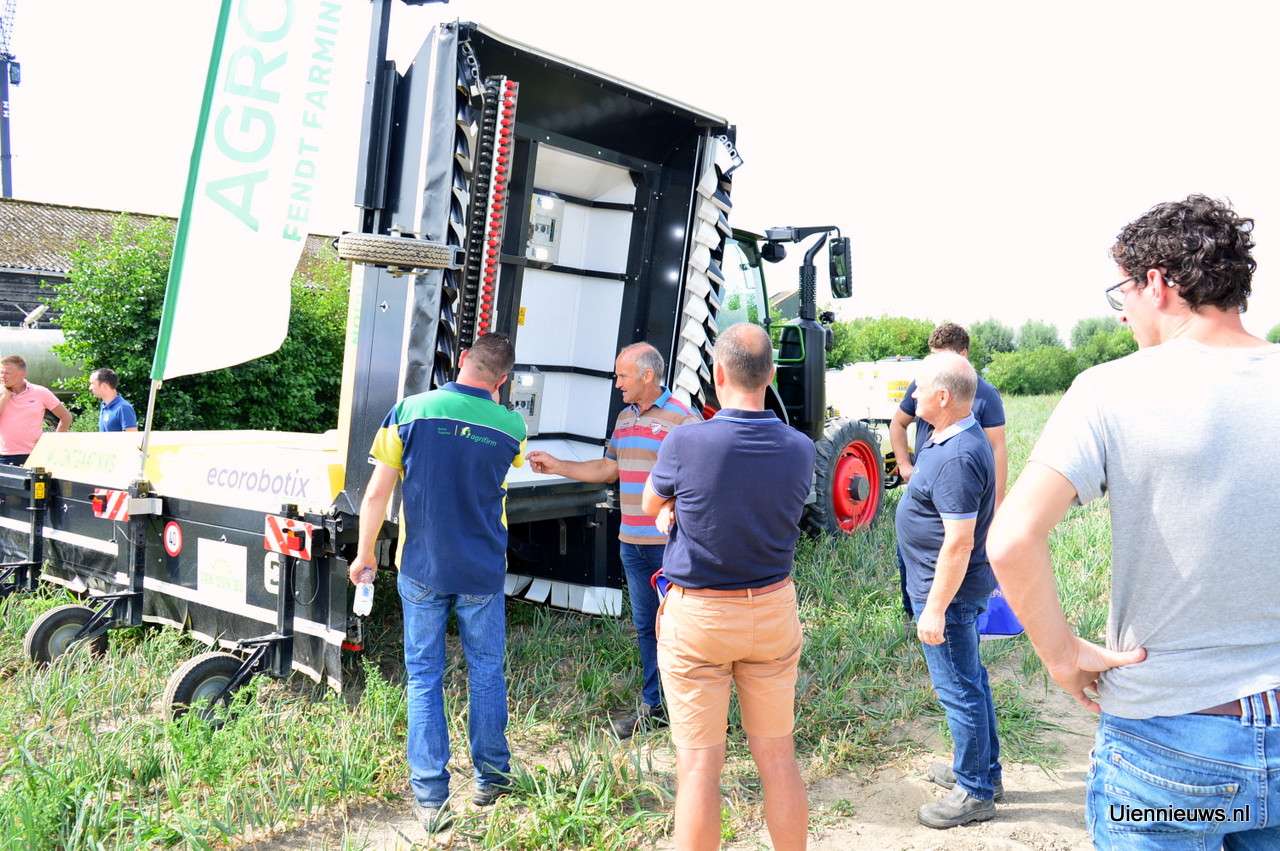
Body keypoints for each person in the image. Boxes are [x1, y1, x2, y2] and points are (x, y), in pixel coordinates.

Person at [988, 195, 1280, 848]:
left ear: (1157, 283)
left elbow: (1011, 538)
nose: (1120, 311)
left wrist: (1063, 656)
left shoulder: (1110, 389)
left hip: (1167, 741)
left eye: (1122, 290)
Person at [641, 323, 815, 851]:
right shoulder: (801, 448)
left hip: (700, 618)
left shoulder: (686, 440)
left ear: (718, 373)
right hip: (773, 611)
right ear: (771, 375)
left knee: (698, 767)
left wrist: (674, 507)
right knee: (778, 758)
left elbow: (650, 504)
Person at [348, 333, 527, 835]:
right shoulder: (512, 426)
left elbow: (376, 495)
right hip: (482, 571)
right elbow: (505, 470)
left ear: (463, 358)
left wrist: (365, 553)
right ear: (503, 380)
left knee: (424, 676)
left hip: (422, 566)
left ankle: (430, 797)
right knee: (486, 670)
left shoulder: (409, 411)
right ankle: (492, 779)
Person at [526, 342, 700, 739]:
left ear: (647, 376)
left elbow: (697, 481)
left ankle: (691, 709)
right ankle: (655, 706)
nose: (617, 382)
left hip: (668, 546)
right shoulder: (624, 418)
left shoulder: (683, 419)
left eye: (623, 375)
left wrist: (674, 508)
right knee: (645, 626)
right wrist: (557, 466)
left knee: (679, 628)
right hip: (631, 543)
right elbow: (609, 469)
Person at [895, 351, 1001, 829]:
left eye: (919, 388)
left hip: (949, 593)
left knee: (958, 688)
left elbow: (959, 543)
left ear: (942, 397)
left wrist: (935, 608)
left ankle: (975, 791)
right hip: (942, 586)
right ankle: (982, 772)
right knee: (970, 680)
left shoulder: (958, 456)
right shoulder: (946, 436)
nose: (912, 395)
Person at [889, 323, 1007, 618]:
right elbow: (898, 423)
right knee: (910, 563)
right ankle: (916, 614)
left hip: (955, 491)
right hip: (927, 487)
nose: (935, 363)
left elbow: (997, 449)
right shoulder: (924, 387)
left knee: (954, 553)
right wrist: (904, 465)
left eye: (942, 356)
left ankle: (941, 614)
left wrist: (996, 506)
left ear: (962, 356)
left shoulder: (985, 397)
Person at [0, 354, 72, 465]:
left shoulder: (40, 392)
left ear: (22, 374)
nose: (3, 376)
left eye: (7, 373)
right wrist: (5, 397)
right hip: (4, 456)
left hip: (34, 454)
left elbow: (66, 416)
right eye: (1, 373)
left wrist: (55, 442)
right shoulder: (1, 393)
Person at [89, 368, 138, 432]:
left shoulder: (123, 408)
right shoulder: (104, 405)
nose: (90, 388)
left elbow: (133, 436)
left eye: (92, 383)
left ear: (103, 386)